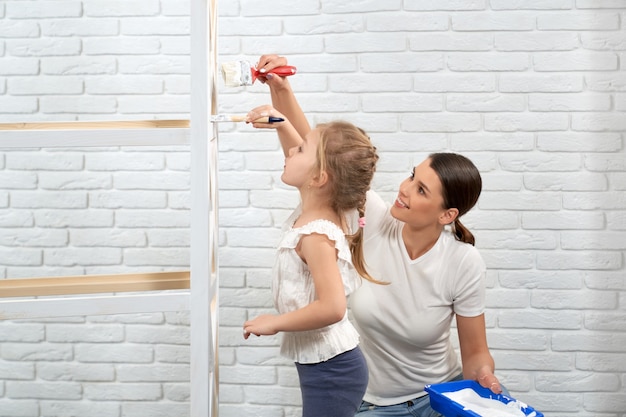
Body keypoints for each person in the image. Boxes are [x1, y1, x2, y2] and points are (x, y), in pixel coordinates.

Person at [252, 54, 505, 417]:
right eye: (411, 176)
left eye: (421, 190)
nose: (404, 189)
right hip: (373, 405)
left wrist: (484, 377)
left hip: (437, 398)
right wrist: (282, 89)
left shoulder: (463, 261)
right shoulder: (372, 218)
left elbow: (475, 351)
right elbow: (321, 159)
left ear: (447, 214)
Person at [242, 103, 383, 417]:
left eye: (301, 150)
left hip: (333, 372)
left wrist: (275, 323)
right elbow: (304, 161)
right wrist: (280, 124)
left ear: (319, 177)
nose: (291, 152)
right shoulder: (318, 208)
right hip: (329, 367)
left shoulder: (316, 235)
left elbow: (332, 308)